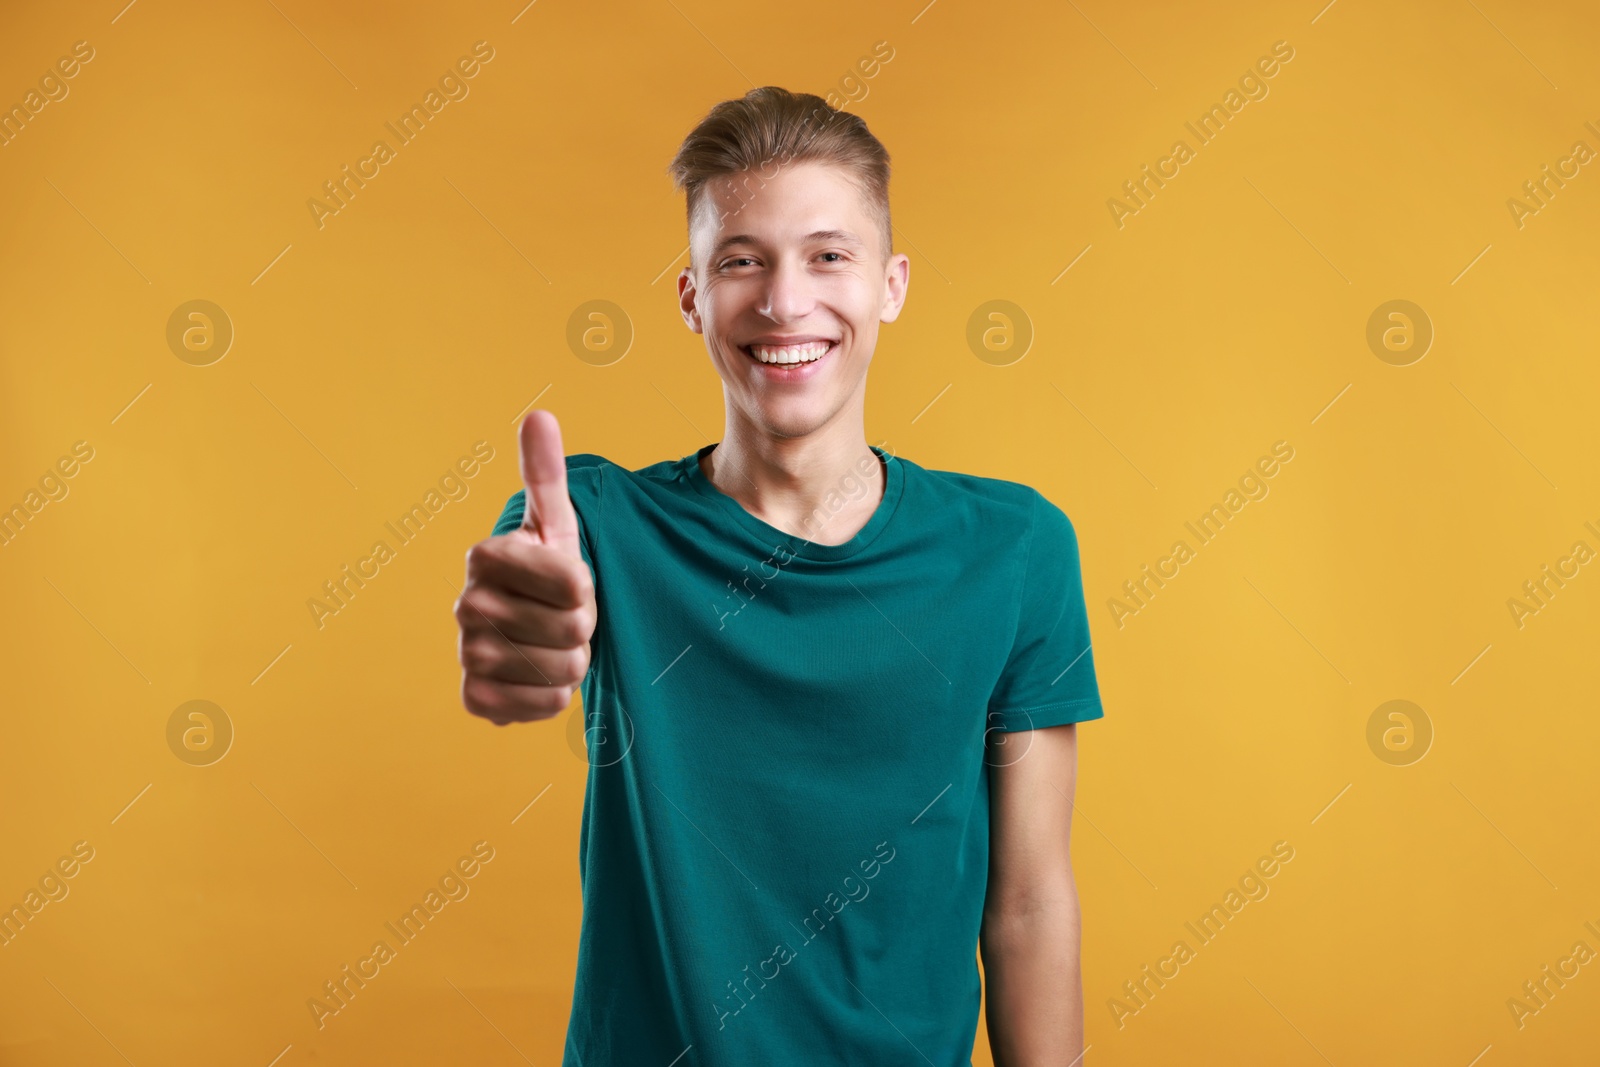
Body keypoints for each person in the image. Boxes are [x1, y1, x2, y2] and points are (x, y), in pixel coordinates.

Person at [453, 85, 1104, 1066]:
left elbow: (1028, 900)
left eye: (827, 255)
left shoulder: (1014, 549)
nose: (784, 300)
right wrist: (521, 640)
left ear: (890, 284)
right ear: (692, 298)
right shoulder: (594, 524)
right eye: (741, 261)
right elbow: (526, 600)